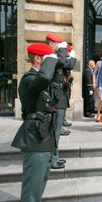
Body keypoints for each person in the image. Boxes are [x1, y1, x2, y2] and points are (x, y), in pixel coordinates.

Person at [11, 43, 58, 201]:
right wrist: (52, 58)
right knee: (32, 190)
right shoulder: (29, 79)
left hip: (43, 136)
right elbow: (44, 77)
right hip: (34, 138)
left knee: (39, 184)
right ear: (38, 58)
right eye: (46, 59)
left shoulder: (41, 81)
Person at [46, 33, 68, 169]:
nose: (59, 47)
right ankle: (52, 159)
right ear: (51, 44)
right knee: (55, 131)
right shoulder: (50, 57)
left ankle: (54, 156)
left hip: (58, 98)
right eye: (57, 45)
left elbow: (66, 64)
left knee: (57, 131)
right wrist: (63, 50)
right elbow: (61, 62)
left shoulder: (54, 57)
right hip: (55, 99)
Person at [62, 44, 76, 127]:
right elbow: (70, 66)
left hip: (66, 86)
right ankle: (61, 121)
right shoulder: (62, 60)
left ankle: (63, 119)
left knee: (65, 104)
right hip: (61, 87)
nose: (70, 53)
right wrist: (73, 58)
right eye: (68, 51)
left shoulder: (65, 60)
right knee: (62, 105)